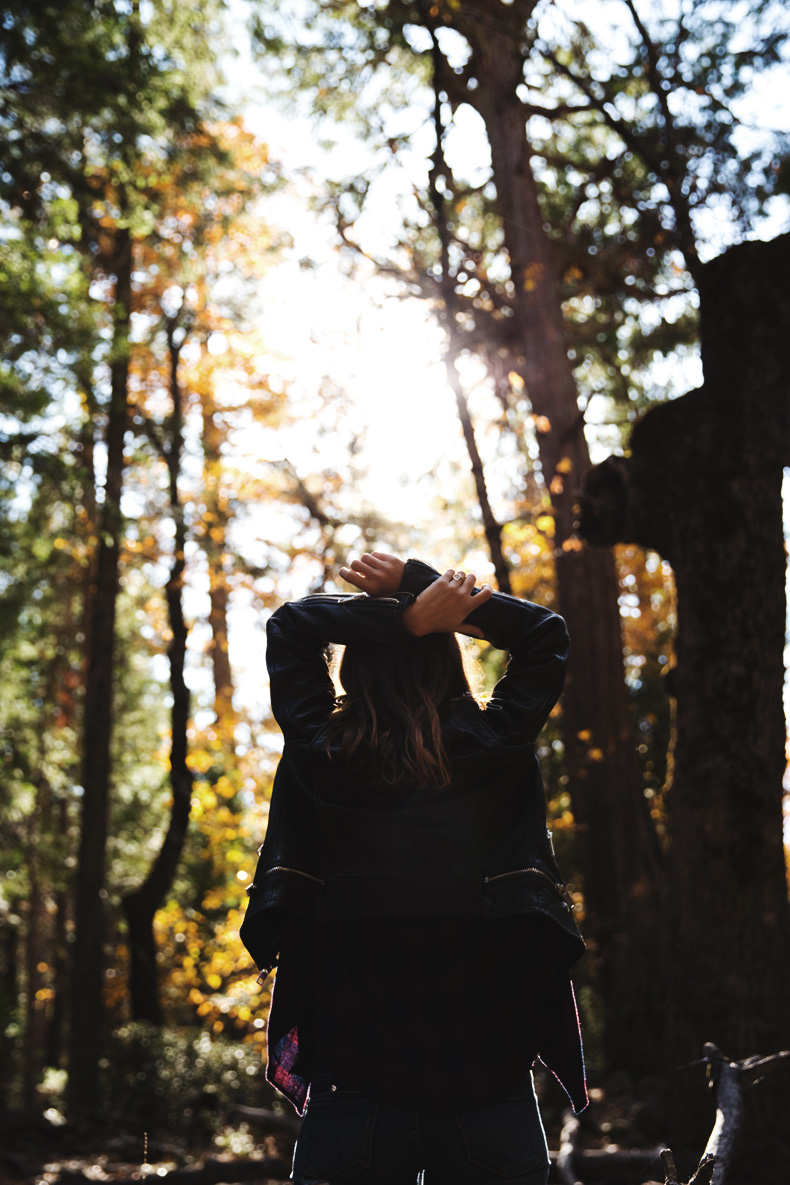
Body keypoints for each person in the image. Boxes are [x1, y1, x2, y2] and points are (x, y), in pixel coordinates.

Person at [240, 553, 586, 1185]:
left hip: (353, 1083)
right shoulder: (496, 745)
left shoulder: (322, 751)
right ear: (450, 665)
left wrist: (403, 620)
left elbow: (291, 626)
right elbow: (544, 634)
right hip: (488, 1079)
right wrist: (419, 591)